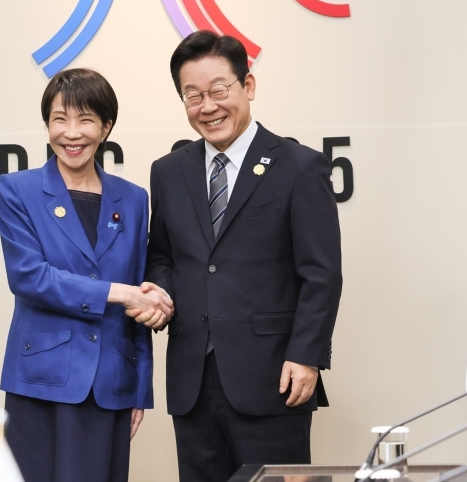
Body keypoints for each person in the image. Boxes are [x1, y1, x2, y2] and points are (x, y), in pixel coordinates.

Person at [134, 31, 343, 482]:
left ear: (247, 87)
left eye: (218, 91)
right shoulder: (168, 172)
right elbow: (163, 256)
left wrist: (307, 355)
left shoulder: (298, 166)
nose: (206, 106)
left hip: (273, 377)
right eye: (193, 96)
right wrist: (161, 292)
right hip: (192, 378)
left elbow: (322, 273)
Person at [0, 68, 174, 482]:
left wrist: (139, 390)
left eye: (85, 119)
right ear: (47, 125)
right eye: (60, 119)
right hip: (42, 381)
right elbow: (29, 278)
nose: (71, 133)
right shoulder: (16, 190)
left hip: (111, 383)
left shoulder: (132, 199)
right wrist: (120, 293)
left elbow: (140, 289)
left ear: (106, 126)